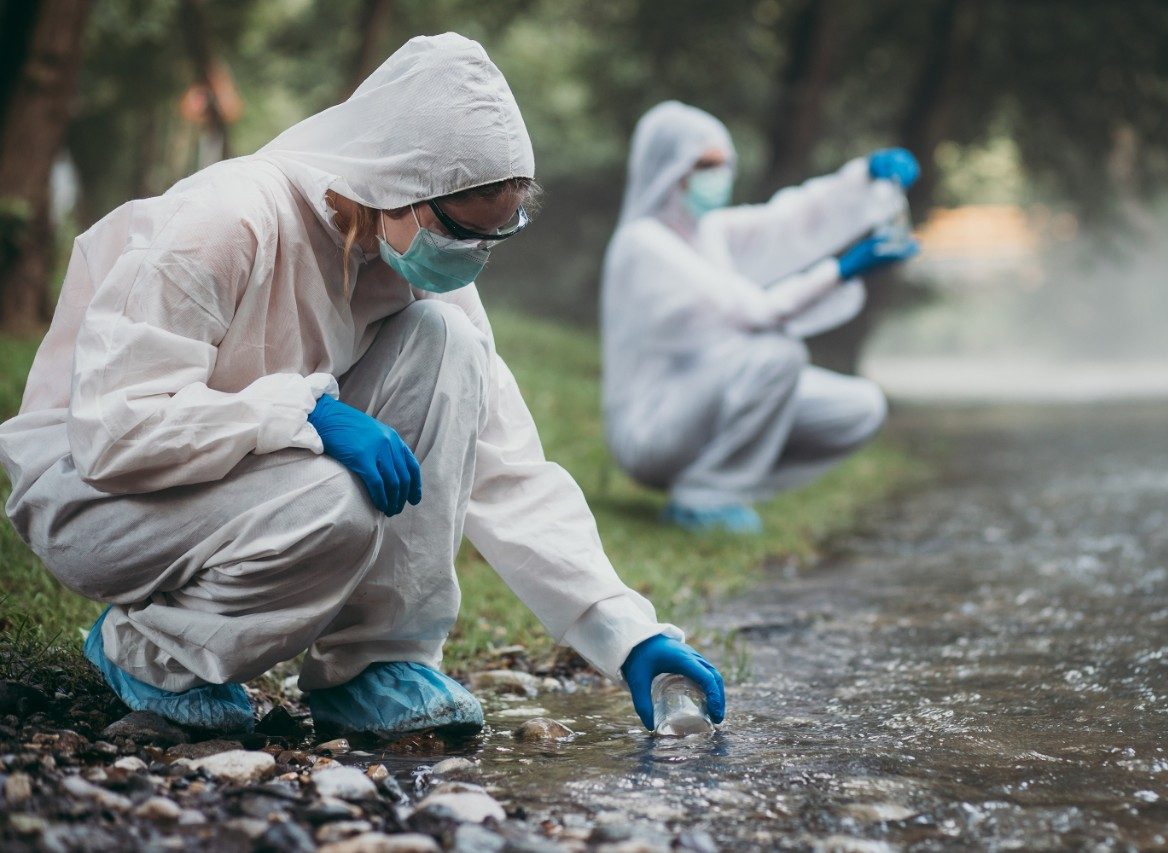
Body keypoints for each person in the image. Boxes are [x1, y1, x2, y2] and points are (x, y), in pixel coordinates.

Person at [0, 36, 724, 736]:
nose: (473, 257)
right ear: (396, 185)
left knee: (450, 345)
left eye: (495, 236)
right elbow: (113, 430)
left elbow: (507, 468)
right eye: (459, 231)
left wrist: (626, 632)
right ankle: (154, 653)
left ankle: (374, 663)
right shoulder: (228, 220)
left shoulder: (411, 267)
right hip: (98, 494)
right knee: (335, 504)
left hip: (245, 477)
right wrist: (303, 413)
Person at [601, 101, 921, 535]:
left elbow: (790, 223)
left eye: (725, 164)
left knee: (860, 408)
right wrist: (841, 270)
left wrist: (865, 177)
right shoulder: (643, 243)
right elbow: (755, 312)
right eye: (706, 164)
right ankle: (706, 497)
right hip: (652, 428)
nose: (719, 176)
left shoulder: (707, 232)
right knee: (777, 353)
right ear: (669, 168)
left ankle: (718, 483)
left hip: (706, 401)